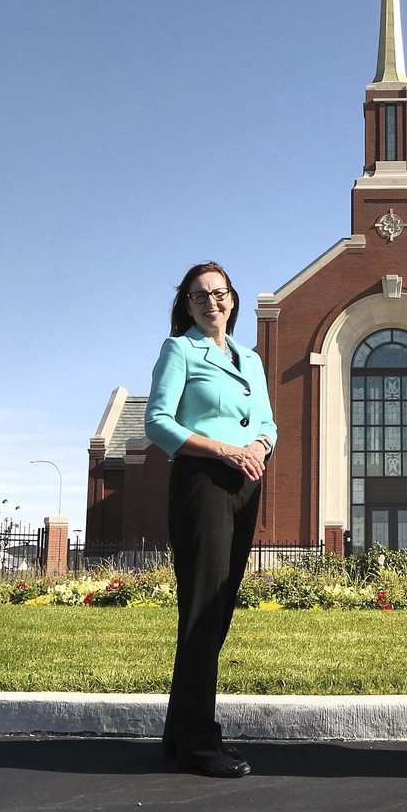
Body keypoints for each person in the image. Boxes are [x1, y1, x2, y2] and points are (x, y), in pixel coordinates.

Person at [144, 261, 278, 779]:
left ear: (233, 298)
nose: (212, 303)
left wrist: (261, 447)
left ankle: (179, 735)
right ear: (187, 304)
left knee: (217, 613)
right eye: (200, 296)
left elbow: (267, 420)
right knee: (201, 610)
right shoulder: (179, 350)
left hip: (246, 483)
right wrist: (223, 449)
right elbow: (158, 422)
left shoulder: (251, 358)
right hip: (203, 482)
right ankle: (201, 742)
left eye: (219, 294)